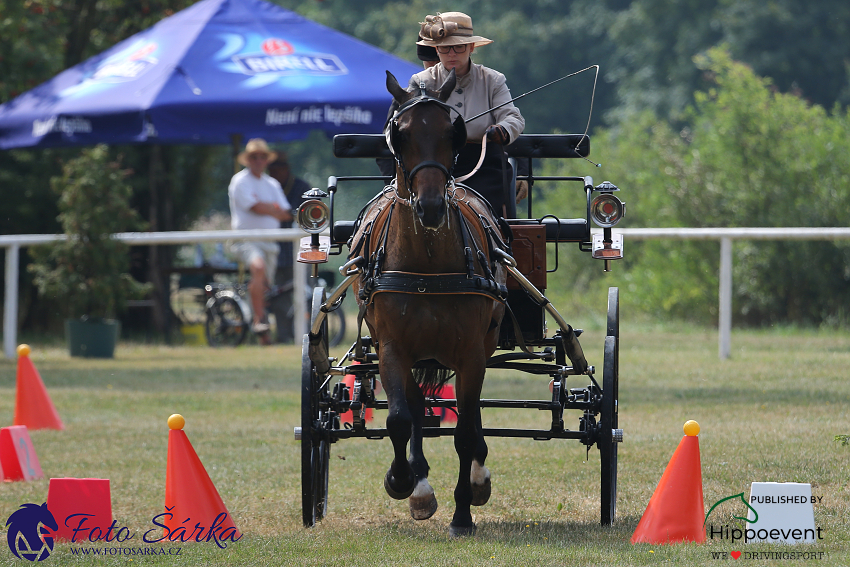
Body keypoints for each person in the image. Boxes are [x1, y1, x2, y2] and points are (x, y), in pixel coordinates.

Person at [409, 11, 528, 217]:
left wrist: (503, 130)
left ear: (471, 47)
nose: (452, 54)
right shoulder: (421, 82)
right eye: (445, 48)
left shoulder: (493, 80)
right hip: (433, 164)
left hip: (483, 165)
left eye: (459, 47)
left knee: (488, 209)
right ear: (436, 49)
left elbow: (513, 118)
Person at [228, 138, 293, 343]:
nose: (258, 160)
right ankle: (258, 320)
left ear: (266, 160)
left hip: (269, 242)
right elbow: (255, 207)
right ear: (247, 160)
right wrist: (271, 208)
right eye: (254, 157)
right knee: (258, 267)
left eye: (262, 157)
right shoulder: (239, 181)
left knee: (265, 286)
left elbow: (286, 214)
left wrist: (267, 207)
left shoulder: (271, 184)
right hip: (245, 239)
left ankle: (262, 333)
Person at [266, 153, 310, 344]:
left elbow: (307, 214)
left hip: (299, 250)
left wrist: (285, 213)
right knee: (279, 297)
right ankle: (283, 335)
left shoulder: (301, 187)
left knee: (305, 292)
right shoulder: (266, 187)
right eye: (272, 169)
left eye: (279, 168)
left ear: (286, 168)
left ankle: (307, 334)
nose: (275, 172)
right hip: (276, 250)